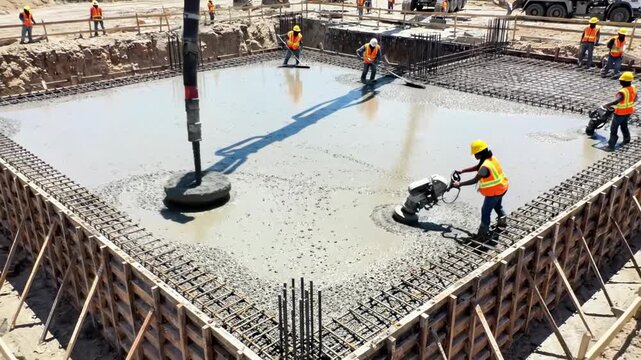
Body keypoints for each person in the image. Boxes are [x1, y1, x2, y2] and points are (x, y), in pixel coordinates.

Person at [452, 140, 509, 240]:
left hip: (494, 192)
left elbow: (474, 180)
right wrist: (463, 171)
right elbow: (478, 167)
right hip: (502, 187)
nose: (474, 156)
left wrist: (459, 184)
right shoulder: (491, 159)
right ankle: (502, 222)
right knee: (497, 206)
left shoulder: (485, 167)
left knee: (485, 211)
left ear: (480, 153)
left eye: (475, 154)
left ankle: (482, 234)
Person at [602, 71, 636, 151]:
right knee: (624, 126)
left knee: (614, 129)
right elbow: (635, 98)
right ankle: (627, 140)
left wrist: (607, 105)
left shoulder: (622, 92)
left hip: (620, 113)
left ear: (624, 81)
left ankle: (611, 146)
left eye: (621, 80)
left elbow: (617, 101)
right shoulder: (633, 88)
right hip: (629, 112)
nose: (619, 81)